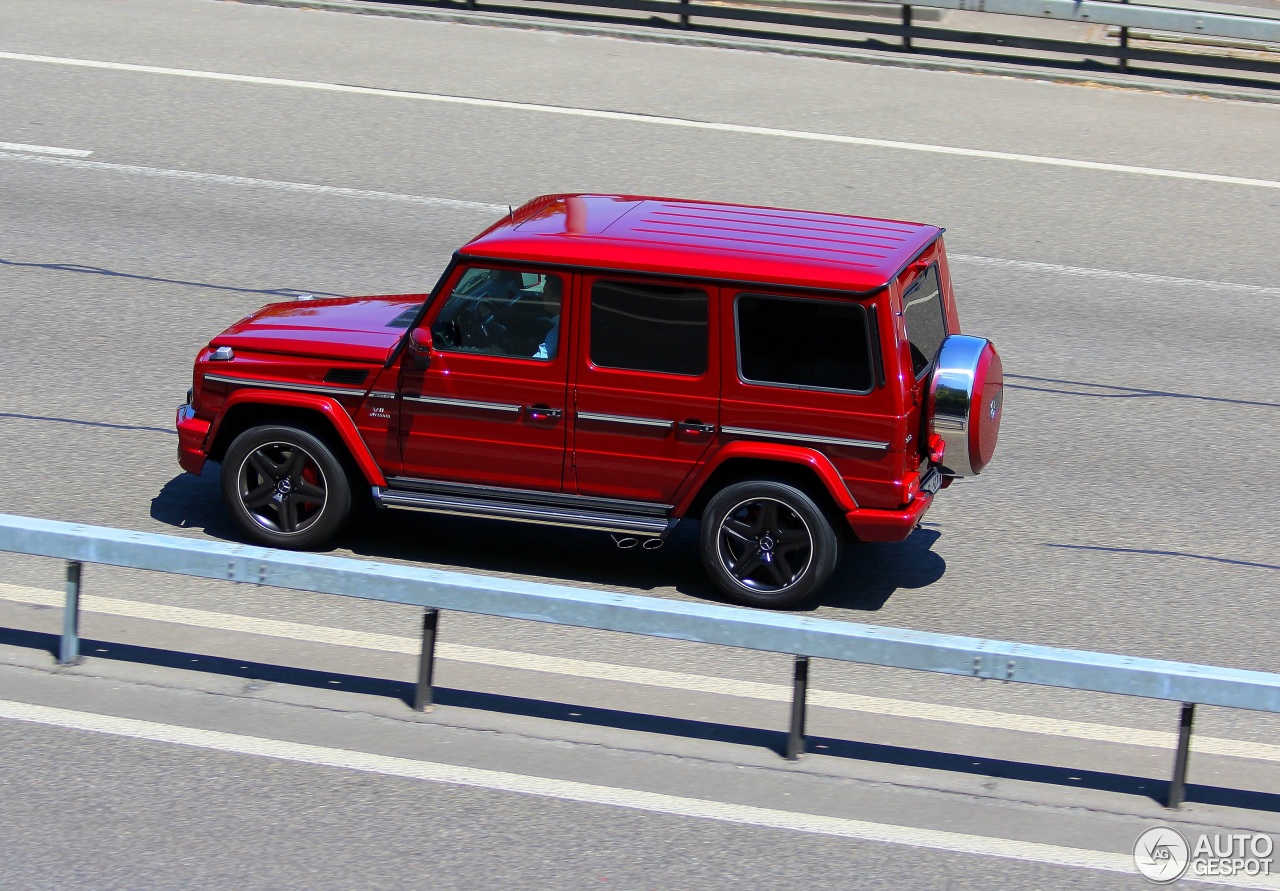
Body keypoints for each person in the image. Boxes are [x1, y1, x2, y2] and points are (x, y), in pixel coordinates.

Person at [532, 275, 563, 360]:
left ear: (557, 301)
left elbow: (538, 361)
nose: (541, 297)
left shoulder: (557, 333)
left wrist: (502, 354)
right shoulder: (557, 321)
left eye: (545, 293)